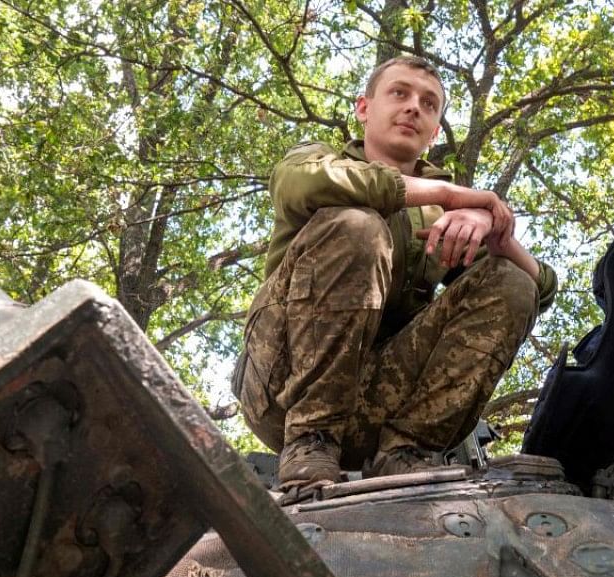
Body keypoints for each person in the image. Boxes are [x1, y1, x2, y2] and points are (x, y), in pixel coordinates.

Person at [234, 55, 558, 496]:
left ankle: (407, 452)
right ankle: (313, 437)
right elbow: (304, 185)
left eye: (429, 104)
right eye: (399, 93)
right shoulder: (315, 159)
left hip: (375, 405)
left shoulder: (447, 215)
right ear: (364, 108)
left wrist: (497, 234)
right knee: (357, 226)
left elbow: (537, 291)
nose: (413, 108)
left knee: (511, 282)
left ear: (435, 130)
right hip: (283, 391)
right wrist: (449, 192)